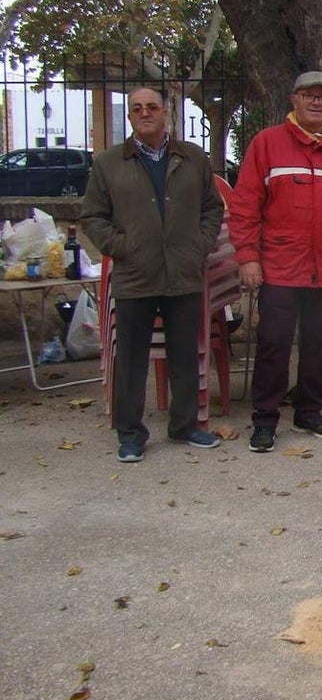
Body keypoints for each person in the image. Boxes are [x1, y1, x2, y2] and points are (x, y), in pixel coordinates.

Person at [81, 87, 224, 462]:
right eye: (137, 108)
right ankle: (131, 434)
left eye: (152, 107)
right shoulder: (108, 163)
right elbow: (92, 216)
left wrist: (199, 244)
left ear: (165, 113)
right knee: (131, 359)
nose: (144, 113)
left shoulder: (193, 158)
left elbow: (212, 208)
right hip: (135, 274)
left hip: (183, 271)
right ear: (130, 116)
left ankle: (185, 425)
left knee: (184, 354)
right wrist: (122, 246)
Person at [230, 71, 322, 453]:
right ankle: (265, 420)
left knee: (319, 345)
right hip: (279, 269)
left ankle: (308, 412)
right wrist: (248, 257)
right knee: (273, 346)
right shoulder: (267, 144)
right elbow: (244, 206)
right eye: (309, 95)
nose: (316, 102)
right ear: (294, 100)